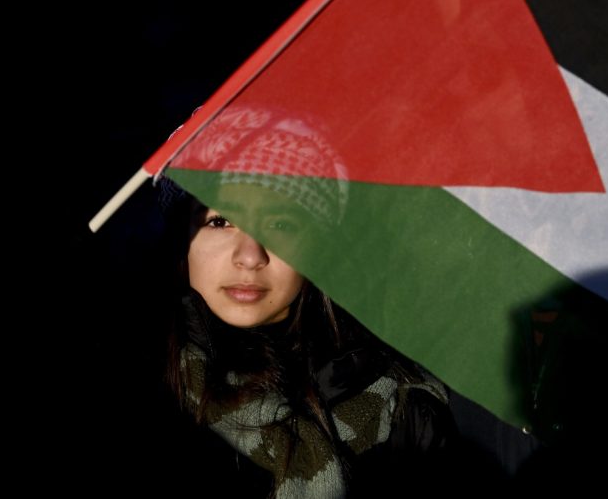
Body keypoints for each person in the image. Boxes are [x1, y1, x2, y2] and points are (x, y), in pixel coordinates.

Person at [153, 104, 462, 497]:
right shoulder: (136, 381)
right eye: (220, 221)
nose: (250, 256)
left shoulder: (400, 406)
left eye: (281, 225)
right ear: (183, 241)